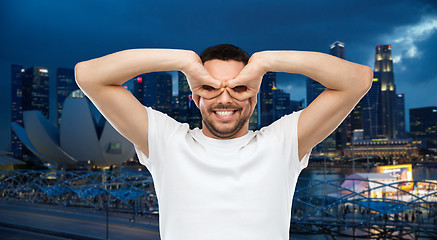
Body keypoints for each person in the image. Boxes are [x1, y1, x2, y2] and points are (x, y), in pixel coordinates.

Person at [75, 44, 373, 240]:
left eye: (239, 88)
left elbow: (358, 79)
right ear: (195, 96)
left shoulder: (282, 144)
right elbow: (88, 75)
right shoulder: (166, 142)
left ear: (254, 98)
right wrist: (184, 61)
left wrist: (265, 62)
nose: (225, 98)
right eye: (211, 87)